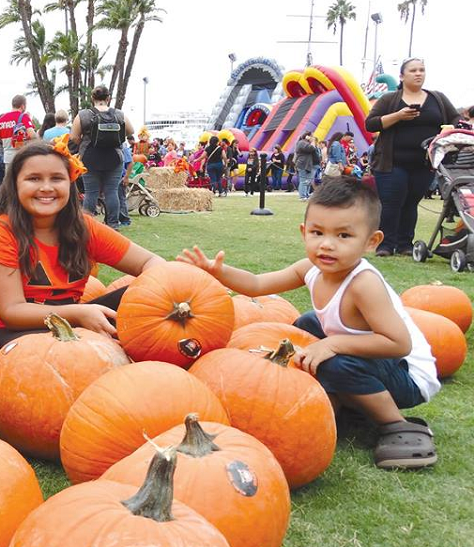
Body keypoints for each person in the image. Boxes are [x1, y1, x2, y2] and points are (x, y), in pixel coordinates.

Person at [178, 176, 440, 470]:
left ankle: (397, 425)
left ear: (371, 242)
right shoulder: (311, 269)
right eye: (318, 232)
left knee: (334, 361)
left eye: (344, 236)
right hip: (375, 359)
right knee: (307, 324)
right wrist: (219, 272)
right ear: (305, 232)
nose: (327, 245)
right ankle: (341, 397)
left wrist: (334, 343)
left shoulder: (363, 284)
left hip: (408, 376)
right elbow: (256, 283)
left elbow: (397, 343)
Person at [0, 142, 164, 345]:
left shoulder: (83, 227)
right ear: (14, 185)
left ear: (70, 184)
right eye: (34, 178)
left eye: (57, 178)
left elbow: (149, 262)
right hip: (11, 333)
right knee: (73, 353)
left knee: (147, 296)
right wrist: (77, 314)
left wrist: (179, 280)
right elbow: (11, 311)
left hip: (70, 322)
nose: (46, 187)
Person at [364, 57, 459, 257]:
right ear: (402, 75)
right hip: (391, 162)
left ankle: (405, 243)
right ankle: (385, 244)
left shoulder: (437, 98)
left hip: (424, 163)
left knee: (411, 203)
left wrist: (450, 130)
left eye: (422, 70)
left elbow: (456, 119)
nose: (418, 74)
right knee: (391, 203)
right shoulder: (390, 99)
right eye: (413, 70)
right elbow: (371, 124)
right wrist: (398, 116)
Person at [70, 85, 134, 228]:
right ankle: (113, 225)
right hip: (114, 157)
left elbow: (73, 137)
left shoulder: (83, 115)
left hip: (90, 157)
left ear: (92, 98)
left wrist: (84, 143)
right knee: (111, 191)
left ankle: (87, 225)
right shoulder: (119, 114)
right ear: (108, 98)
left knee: (91, 192)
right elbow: (130, 131)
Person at [0, 95, 37, 182]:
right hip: (21, 154)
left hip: (7, 156)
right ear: (23, 106)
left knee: (9, 182)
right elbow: (32, 135)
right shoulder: (23, 117)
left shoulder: (2, 118)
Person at [294, 132, 317, 200]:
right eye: (311, 136)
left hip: (306, 164)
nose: (313, 138)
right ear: (307, 136)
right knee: (303, 181)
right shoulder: (302, 143)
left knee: (307, 181)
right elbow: (312, 148)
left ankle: (306, 195)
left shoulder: (304, 143)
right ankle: (302, 196)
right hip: (303, 164)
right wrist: (313, 141)